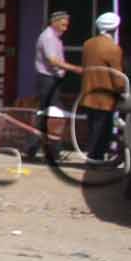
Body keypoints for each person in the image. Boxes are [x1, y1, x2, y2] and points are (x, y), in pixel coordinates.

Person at [77, 10, 128, 163]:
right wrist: (123, 91)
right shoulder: (113, 48)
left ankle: (94, 158)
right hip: (105, 98)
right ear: (114, 29)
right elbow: (117, 77)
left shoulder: (88, 44)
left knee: (93, 128)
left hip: (88, 94)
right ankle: (94, 160)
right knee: (102, 131)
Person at [34, 10, 78, 163]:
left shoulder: (55, 38)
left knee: (47, 115)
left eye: (67, 25)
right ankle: (54, 153)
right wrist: (75, 68)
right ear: (54, 22)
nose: (65, 28)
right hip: (47, 80)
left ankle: (31, 147)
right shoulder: (48, 37)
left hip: (52, 79)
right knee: (55, 116)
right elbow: (52, 60)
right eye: (63, 25)